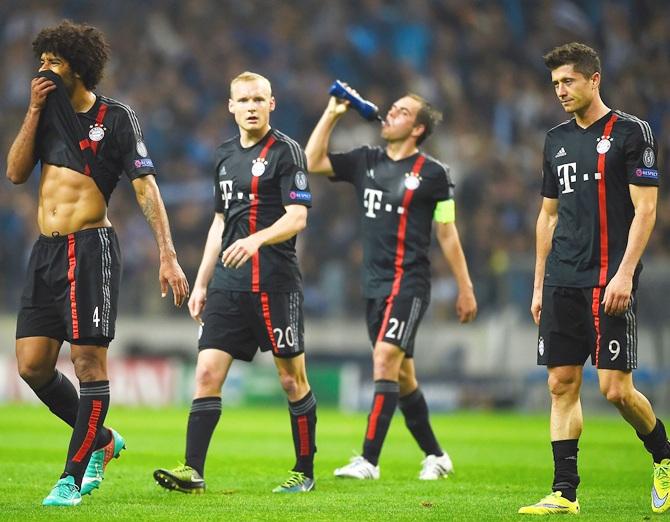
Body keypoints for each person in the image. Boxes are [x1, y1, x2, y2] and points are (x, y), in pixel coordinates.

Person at [5, 20, 189, 506]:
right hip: (45, 252)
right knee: (31, 366)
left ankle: (70, 477)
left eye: (54, 62)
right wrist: (33, 109)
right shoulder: (45, 116)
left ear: (78, 68)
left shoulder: (118, 118)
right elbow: (16, 173)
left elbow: (146, 189)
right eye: (41, 60)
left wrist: (167, 256)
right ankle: (103, 441)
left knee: (88, 363)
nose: (43, 68)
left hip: (90, 250)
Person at [518, 42, 669, 516]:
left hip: (608, 278)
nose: (560, 91)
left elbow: (646, 210)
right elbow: (547, 217)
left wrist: (625, 274)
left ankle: (664, 456)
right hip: (562, 276)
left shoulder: (631, 133)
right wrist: (539, 284)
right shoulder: (555, 139)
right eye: (556, 84)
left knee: (615, 390)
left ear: (594, 79)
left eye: (568, 81)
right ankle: (565, 492)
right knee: (561, 383)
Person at [153, 71, 317, 495]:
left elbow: (298, 217)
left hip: (275, 283)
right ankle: (193, 471)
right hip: (228, 283)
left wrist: (256, 240)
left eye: (258, 100)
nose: (250, 107)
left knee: (290, 380)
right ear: (230, 106)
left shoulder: (287, 152)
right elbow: (219, 222)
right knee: (207, 372)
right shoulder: (224, 155)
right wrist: (203, 280)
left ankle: (304, 470)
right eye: (243, 100)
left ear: (271, 104)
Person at [305, 89, 477, 480]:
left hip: (409, 284)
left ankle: (369, 460)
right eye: (392, 109)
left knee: (383, 359)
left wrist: (465, 288)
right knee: (402, 376)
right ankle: (437, 455)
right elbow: (313, 160)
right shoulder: (366, 160)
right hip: (373, 285)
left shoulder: (435, 175)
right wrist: (332, 114)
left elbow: (447, 234)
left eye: (400, 112)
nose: (389, 115)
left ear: (417, 129)